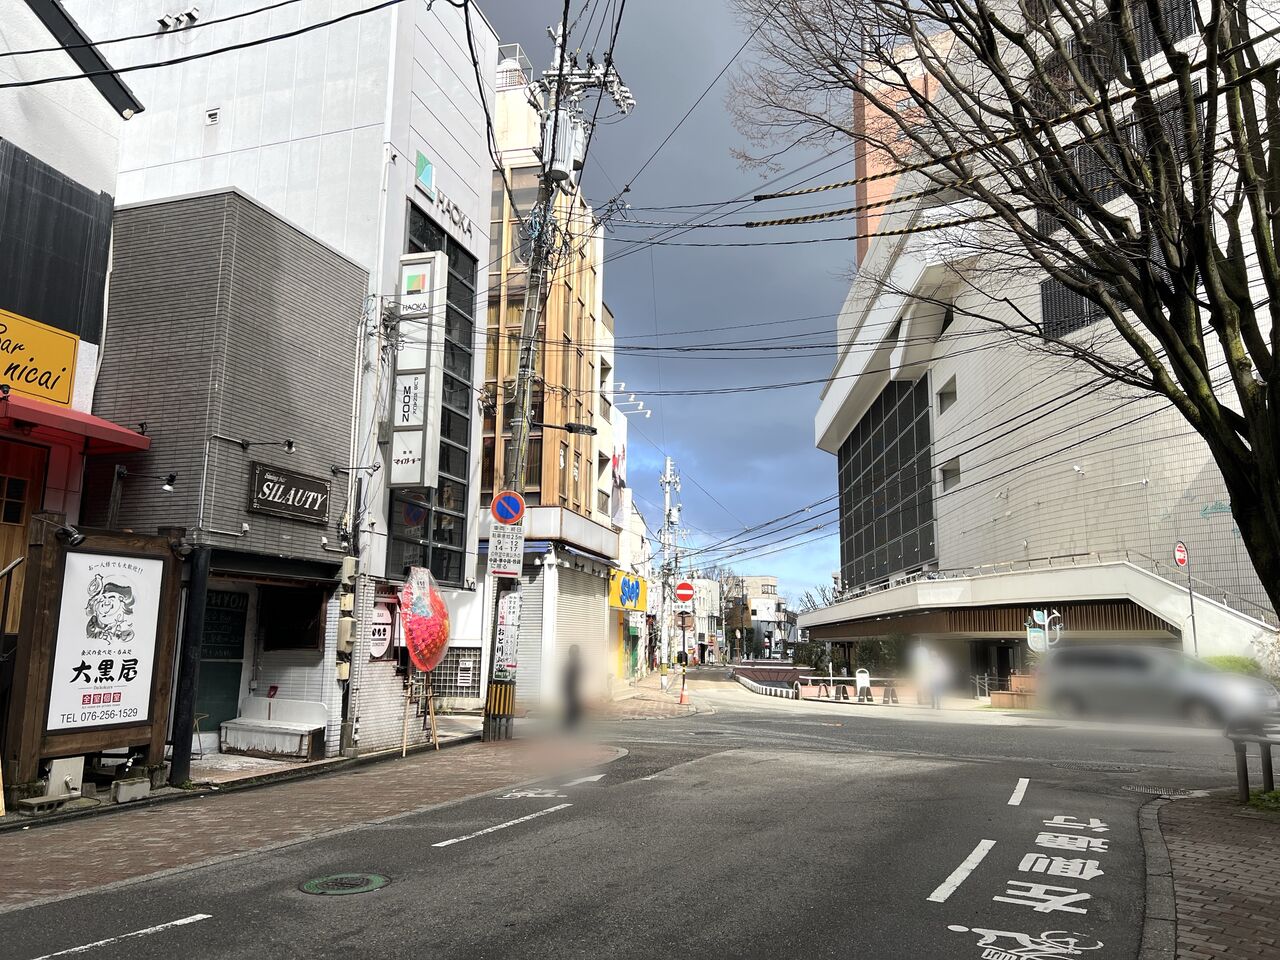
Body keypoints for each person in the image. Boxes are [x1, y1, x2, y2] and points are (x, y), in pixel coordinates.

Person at [563, 644, 582, 728]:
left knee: (572, 703)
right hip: (570, 685)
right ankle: (572, 720)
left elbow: (574, 673)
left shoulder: (575, 661)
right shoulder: (574, 661)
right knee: (571, 702)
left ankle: (571, 722)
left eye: (571, 651)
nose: (570, 652)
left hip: (572, 685)